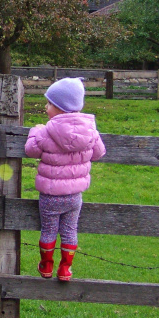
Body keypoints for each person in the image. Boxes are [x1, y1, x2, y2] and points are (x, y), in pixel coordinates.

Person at [24, 77, 105, 282]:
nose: (46, 106)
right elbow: (98, 153)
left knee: (49, 230)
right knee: (70, 231)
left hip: (50, 196)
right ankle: (65, 269)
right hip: (74, 197)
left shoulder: (45, 131)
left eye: (50, 103)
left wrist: (34, 131)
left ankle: (46, 266)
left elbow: (30, 150)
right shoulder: (90, 131)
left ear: (60, 107)